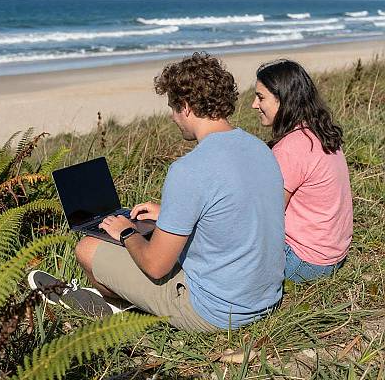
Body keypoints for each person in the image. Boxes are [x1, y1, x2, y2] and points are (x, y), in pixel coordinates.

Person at [70, 52, 285, 331]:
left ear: (185, 107)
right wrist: (169, 214)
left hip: (216, 312)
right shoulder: (260, 149)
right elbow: (235, 209)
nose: (172, 117)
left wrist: (126, 231)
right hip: (265, 298)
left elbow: (156, 266)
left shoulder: (189, 169)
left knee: (87, 248)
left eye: (172, 107)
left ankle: (122, 308)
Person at [252, 59, 353, 283]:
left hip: (306, 262)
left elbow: (268, 216)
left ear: (284, 99)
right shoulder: (317, 131)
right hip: (333, 253)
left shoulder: (291, 146)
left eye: (261, 97)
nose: (254, 105)